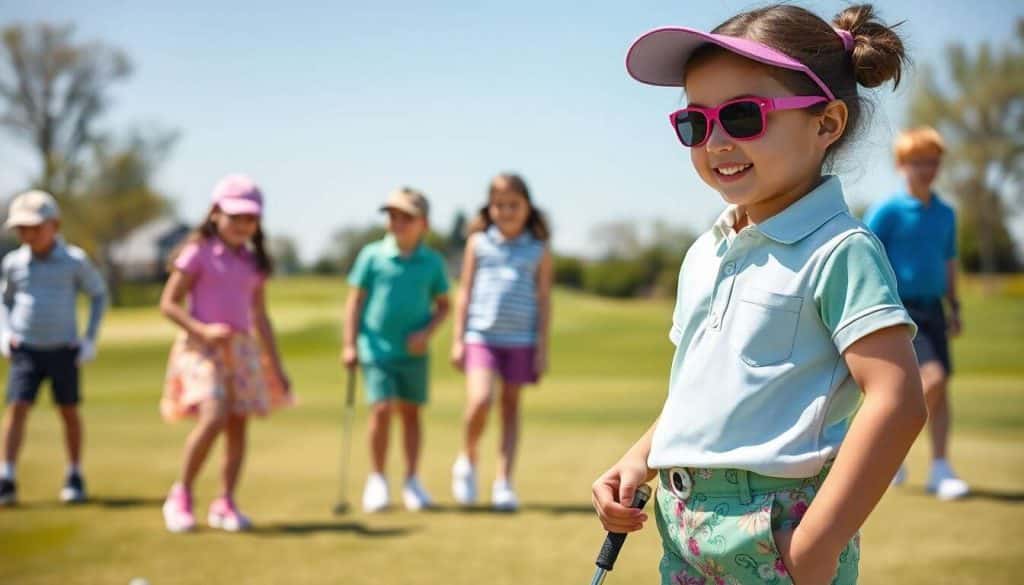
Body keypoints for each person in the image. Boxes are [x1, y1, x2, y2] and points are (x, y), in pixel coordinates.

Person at [591, 5, 928, 584]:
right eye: (696, 122)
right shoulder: (705, 251)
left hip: (777, 528)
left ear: (826, 123)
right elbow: (700, 393)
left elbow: (897, 401)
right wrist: (639, 459)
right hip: (682, 523)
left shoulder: (840, 249)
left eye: (744, 116)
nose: (716, 140)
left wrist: (819, 542)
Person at [158, 174, 292, 532]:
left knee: (237, 425)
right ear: (215, 213)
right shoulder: (197, 252)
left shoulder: (254, 263)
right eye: (235, 217)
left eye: (250, 219)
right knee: (214, 415)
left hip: (242, 350)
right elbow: (168, 304)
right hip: (201, 347)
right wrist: (201, 330)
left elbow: (261, 317)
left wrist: (276, 365)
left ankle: (225, 502)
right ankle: (181, 494)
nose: (242, 225)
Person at [865, 127, 968, 500]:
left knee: (943, 389)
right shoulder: (888, 211)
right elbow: (865, 254)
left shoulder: (945, 213)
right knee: (933, 379)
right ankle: (885, 450)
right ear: (901, 165)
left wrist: (954, 306)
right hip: (899, 309)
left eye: (933, 161)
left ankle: (940, 468)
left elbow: (949, 260)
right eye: (918, 161)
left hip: (934, 308)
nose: (928, 168)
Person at [342, 187, 450, 512]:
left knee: (411, 414)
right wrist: (349, 344)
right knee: (381, 409)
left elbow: (444, 306)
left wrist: (427, 333)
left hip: (414, 352)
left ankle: (412, 481)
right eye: (392, 216)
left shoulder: (432, 262)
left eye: (406, 217)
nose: (397, 222)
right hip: (375, 347)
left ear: (424, 225)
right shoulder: (372, 255)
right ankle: (377, 480)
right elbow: (355, 302)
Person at [450, 173, 553, 511]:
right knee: (480, 401)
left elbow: (543, 299)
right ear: (489, 208)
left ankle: (503, 483)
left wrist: (541, 348)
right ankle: (467, 459)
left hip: (521, 339)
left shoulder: (539, 249)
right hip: (481, 336)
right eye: (499, 205)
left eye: (514, 205)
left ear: (527, 208)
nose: (506, 211)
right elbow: (464, 292)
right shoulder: (478, 243)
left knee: (510, 409)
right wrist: (457, 338)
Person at [0, 190, 107, 506]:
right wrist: (5, 334)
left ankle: (74, 473)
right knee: (17, 409)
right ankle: (6, 476)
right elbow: (4, 301)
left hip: (64, 350)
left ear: (54, 225)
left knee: (69, 411)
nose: (29, 235)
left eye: (35, 227)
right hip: (26, 349)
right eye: (22, 229)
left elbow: (98, 295)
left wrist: (89, 339)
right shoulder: (13, 263)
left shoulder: (74, 261)